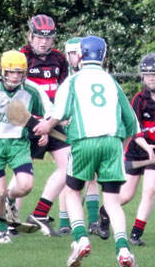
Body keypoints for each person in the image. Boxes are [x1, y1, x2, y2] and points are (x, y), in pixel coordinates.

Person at [33, 36, 139, 267]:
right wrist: (121, 147)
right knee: (112, 201)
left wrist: (46, 126)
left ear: (80, 55)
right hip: (112, 143)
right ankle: (123, 250)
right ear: (104, 57)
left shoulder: (72, 81)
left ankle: (80, 239)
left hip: (83, 142)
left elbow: (58, 113)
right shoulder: (112, 82)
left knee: (72, 192)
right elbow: (131, 123)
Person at [97, 53, 155, 246]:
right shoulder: (138, 100)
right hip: (137, 149)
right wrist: (146, 147)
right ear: (142, 77)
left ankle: (136, 234)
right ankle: (104, 213)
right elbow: (133, 128)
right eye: (147, 74)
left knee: (150, 189)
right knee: (126, 194)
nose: (151, 78)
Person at [0, 50, 54, 243]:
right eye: (11, 72)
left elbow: (50, 113)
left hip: (19, 144)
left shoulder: (32, 89)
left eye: (20, 72)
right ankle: (1, 230)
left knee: (25, 186)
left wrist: (46, 132)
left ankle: (10, 198)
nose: (16, 76)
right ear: (3, 71)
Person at [18, 14, 71, 237]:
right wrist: (36, 124)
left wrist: (57, 119)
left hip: (53, 121)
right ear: (30, 35)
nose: (43, 42)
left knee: (71, 165)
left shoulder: (59, 59)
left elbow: (65, 91)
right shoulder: (19, 58)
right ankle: (11, 220)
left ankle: (39, 214)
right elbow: (9, 98)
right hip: (27, 123)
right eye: (39, 37)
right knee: (23, 174)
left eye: (48, 38)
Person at [58, 37, 101, 236]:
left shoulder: (95, 76)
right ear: (68, 56)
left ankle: (93, 221)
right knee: (67, 176)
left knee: (92, 176)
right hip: (67, 133)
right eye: (73, 53)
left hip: (89, 132)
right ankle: (64, 221)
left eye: (79, 52)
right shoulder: (66, 79)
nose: (78, 57)